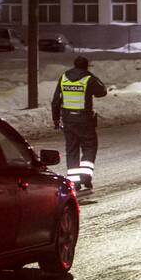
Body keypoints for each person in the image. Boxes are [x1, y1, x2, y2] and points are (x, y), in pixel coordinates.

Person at [51, 56, 107, 191]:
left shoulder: (64, 77)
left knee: (71, 150)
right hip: (85, 120)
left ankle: (74, 182)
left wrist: (56, 119)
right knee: (89, 147)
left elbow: (56, 100)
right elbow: (102, 92)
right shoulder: (88, 78)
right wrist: (91, 75)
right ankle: (85, 177)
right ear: (86, 66)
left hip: (68, 119)